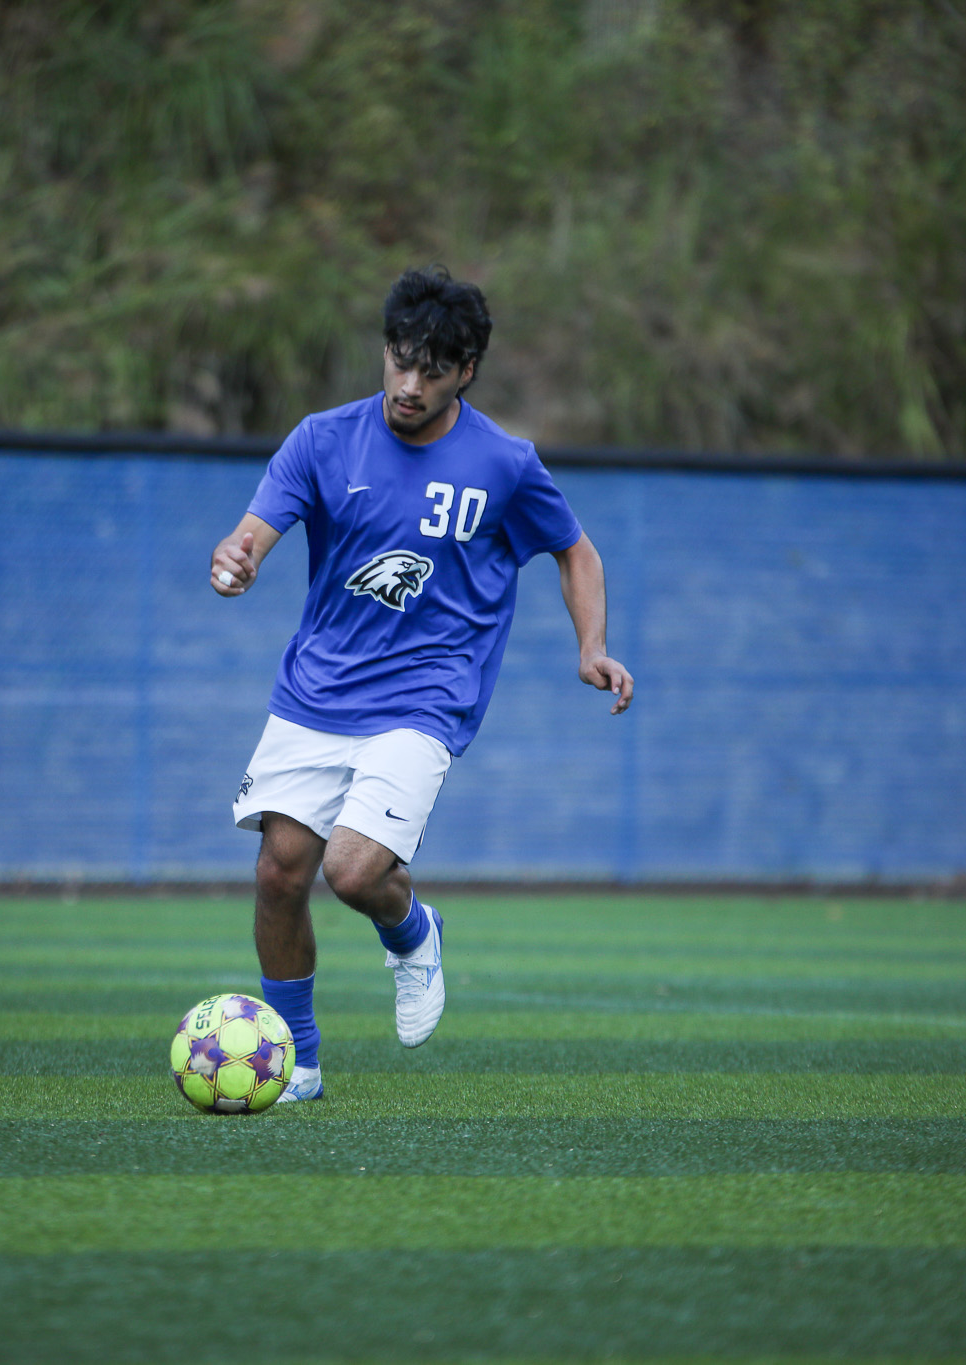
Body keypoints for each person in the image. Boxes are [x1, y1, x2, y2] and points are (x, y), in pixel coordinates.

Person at [209, 266, 634, 1102]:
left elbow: (574, 549)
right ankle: (299, 1057)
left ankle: (413, 933)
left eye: (433, 368)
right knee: (280, 873)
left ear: (466, 369)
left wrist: (592, 645)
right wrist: (238, 556)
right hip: (316, 690)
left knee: (357, 871)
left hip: (426, 695)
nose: (410, 383)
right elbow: (255, 529)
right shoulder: (323, 439)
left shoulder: (505, 463)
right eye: (399, 361)